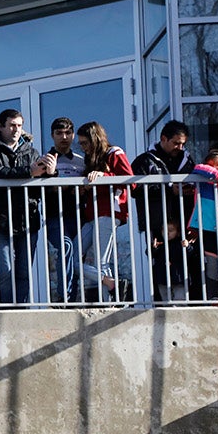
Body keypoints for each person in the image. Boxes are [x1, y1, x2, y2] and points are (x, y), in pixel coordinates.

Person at [0, 108, 43, 305]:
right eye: (12, 125)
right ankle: (7, 312)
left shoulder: (30, 150)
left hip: (26, 217)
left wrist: (51, 172)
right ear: (0, 126)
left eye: (19, 126)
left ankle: (20, 310)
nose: (16, 130)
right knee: (5, 270)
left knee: (24, 271)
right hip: (0, 217)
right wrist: (29, 171)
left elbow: (39, 179)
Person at [132, 120, 198, 301]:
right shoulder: (145, 160)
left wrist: (189, 189)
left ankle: (189, 305)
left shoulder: (187, 159)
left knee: (188, 259)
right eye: (176, 142)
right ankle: (160, 307)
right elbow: (135, 189)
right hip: (157, 223)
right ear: (163, 138)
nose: (180, 147)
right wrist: (169, 189)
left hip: (183, 221)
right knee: (160, 264)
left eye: (183, 143)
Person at [75, 121, 134, 302]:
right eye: (81, 144)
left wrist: (103, 176)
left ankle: (109, 303)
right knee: (70, 258)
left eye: (85, 143)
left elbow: (130, 180)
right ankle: (111, 284)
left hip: (109, 212)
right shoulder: (91, 159)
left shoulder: (114, 153)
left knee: (101, 262)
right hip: (92, 215)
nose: (83, 147)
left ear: (95, 139)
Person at [34, 118, 85, 303]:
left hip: (80, 216)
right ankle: (65, 298)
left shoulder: (81, 161)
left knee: (77, 257)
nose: (64, 137)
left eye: (68, 133)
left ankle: (74, 296)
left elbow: (85, 190)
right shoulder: (44, 160)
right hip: (54, 216)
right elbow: (47, 190)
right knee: (66, 247)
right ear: (52, 136)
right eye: (59, 133)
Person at [188, 150, 218, 298]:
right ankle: (214, 296)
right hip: (208, 226)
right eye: (211, 165)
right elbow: (198, 168)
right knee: (211, 262)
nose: (215, 167)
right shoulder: (205, 178)